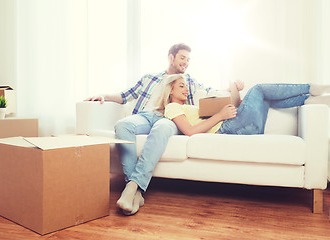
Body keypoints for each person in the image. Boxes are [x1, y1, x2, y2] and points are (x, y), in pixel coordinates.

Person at [85, 43, 236, 215]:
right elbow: (124, 95)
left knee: (161, 128)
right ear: (171, 57)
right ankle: (135, 189)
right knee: (122, 125)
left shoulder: (189, 82)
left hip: (170, 118)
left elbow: (211, 92)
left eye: (188, 59)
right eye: (182, 58)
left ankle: (133, 187)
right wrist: (104, 95)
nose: (186, 63)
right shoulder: (150, 78)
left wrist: (232, 87)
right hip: (145, 116)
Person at [160, 74, 330, 136]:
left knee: (265, 97)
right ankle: (311, 88)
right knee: (258, 89)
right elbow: (190, 132)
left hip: (241, 125)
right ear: (170, 91)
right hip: (228, 128)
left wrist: (234, 94)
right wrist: (220, 116)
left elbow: (230, 107)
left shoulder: (192, 105)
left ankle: (308, 100)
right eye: (181, 86)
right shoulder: (172, 107)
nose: (186, 89)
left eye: (186, 85)